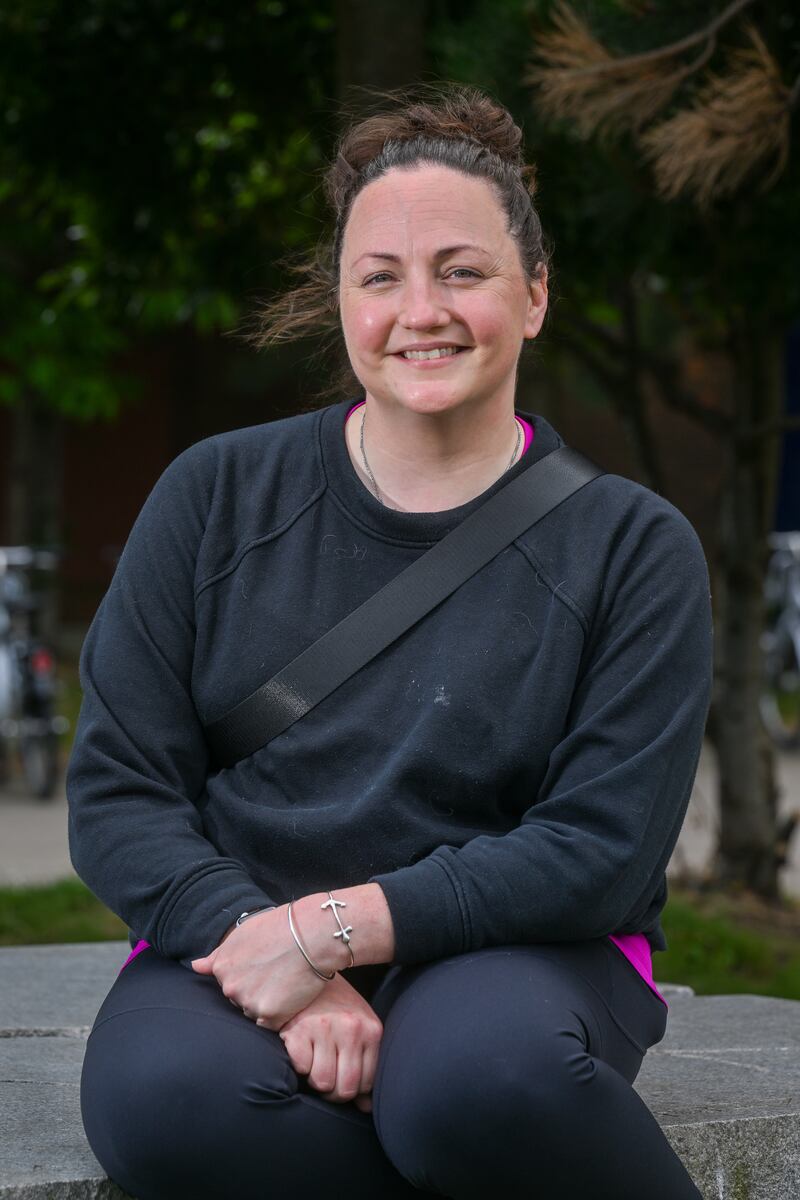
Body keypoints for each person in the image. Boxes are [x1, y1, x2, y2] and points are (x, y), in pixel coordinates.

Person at [67, 83, 711, 1199]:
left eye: (461, 271)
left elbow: (598, 850)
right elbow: (119, 793)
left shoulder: (632, 546)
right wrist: (275, 953)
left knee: (471, 1087)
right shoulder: (212, 495)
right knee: (163, 1101)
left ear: (535, 295)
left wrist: (329, 933)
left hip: (521, 951)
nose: (421, 310)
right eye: (380, 278)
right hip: (241, 933)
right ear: (341, 300)